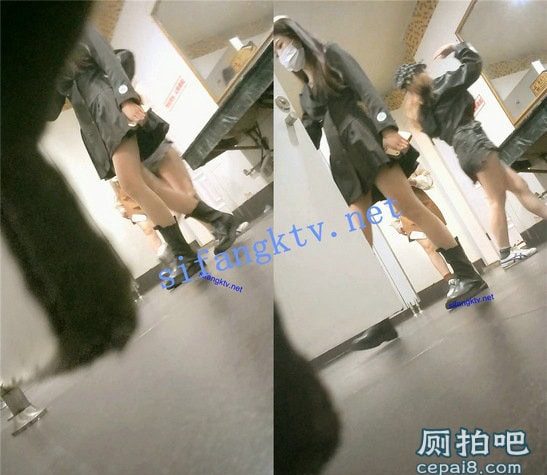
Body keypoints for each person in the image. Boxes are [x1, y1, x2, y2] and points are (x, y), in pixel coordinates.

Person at [274, 17, 487, 349]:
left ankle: (468, 276)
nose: (281, 55)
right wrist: (292, 170)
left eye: (280, 46)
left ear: (295, 37)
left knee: (411, 209)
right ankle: (379, 318)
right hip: (343, 161)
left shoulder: (332, 55)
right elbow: (310, 133)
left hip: (364, 140)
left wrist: (387, 129)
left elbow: (366, 89)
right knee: (357, 237)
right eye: (277, 53)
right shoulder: (306, 92)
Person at [47, 25, 238, 288]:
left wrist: (127, 99)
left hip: (107, 106)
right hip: (93, 126)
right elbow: (50, 111)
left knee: (131, 184)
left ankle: (190, 252)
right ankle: (217, 223)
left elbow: (109, 61)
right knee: (149, 186)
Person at [395, 43, 547, 269]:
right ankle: (505, 254)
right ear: (420, 76)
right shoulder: (441, 85)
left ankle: (506, 253)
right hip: (474, 143)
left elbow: (436, 132)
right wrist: (456, 48)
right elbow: (474, 66)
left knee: (519, 186)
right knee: (496, 200)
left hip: (465, 150)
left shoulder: (420, 110)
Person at [392, 166, 454, 285]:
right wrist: (397, 222)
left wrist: (412, 181)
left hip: (424, 205)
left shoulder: (406, 161)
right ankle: (451, 281)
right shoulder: (380, 171)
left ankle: (465, 273)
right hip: (405, 213)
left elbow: (428, 181)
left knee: (444, 241)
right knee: (428, 247)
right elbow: (390, 200)